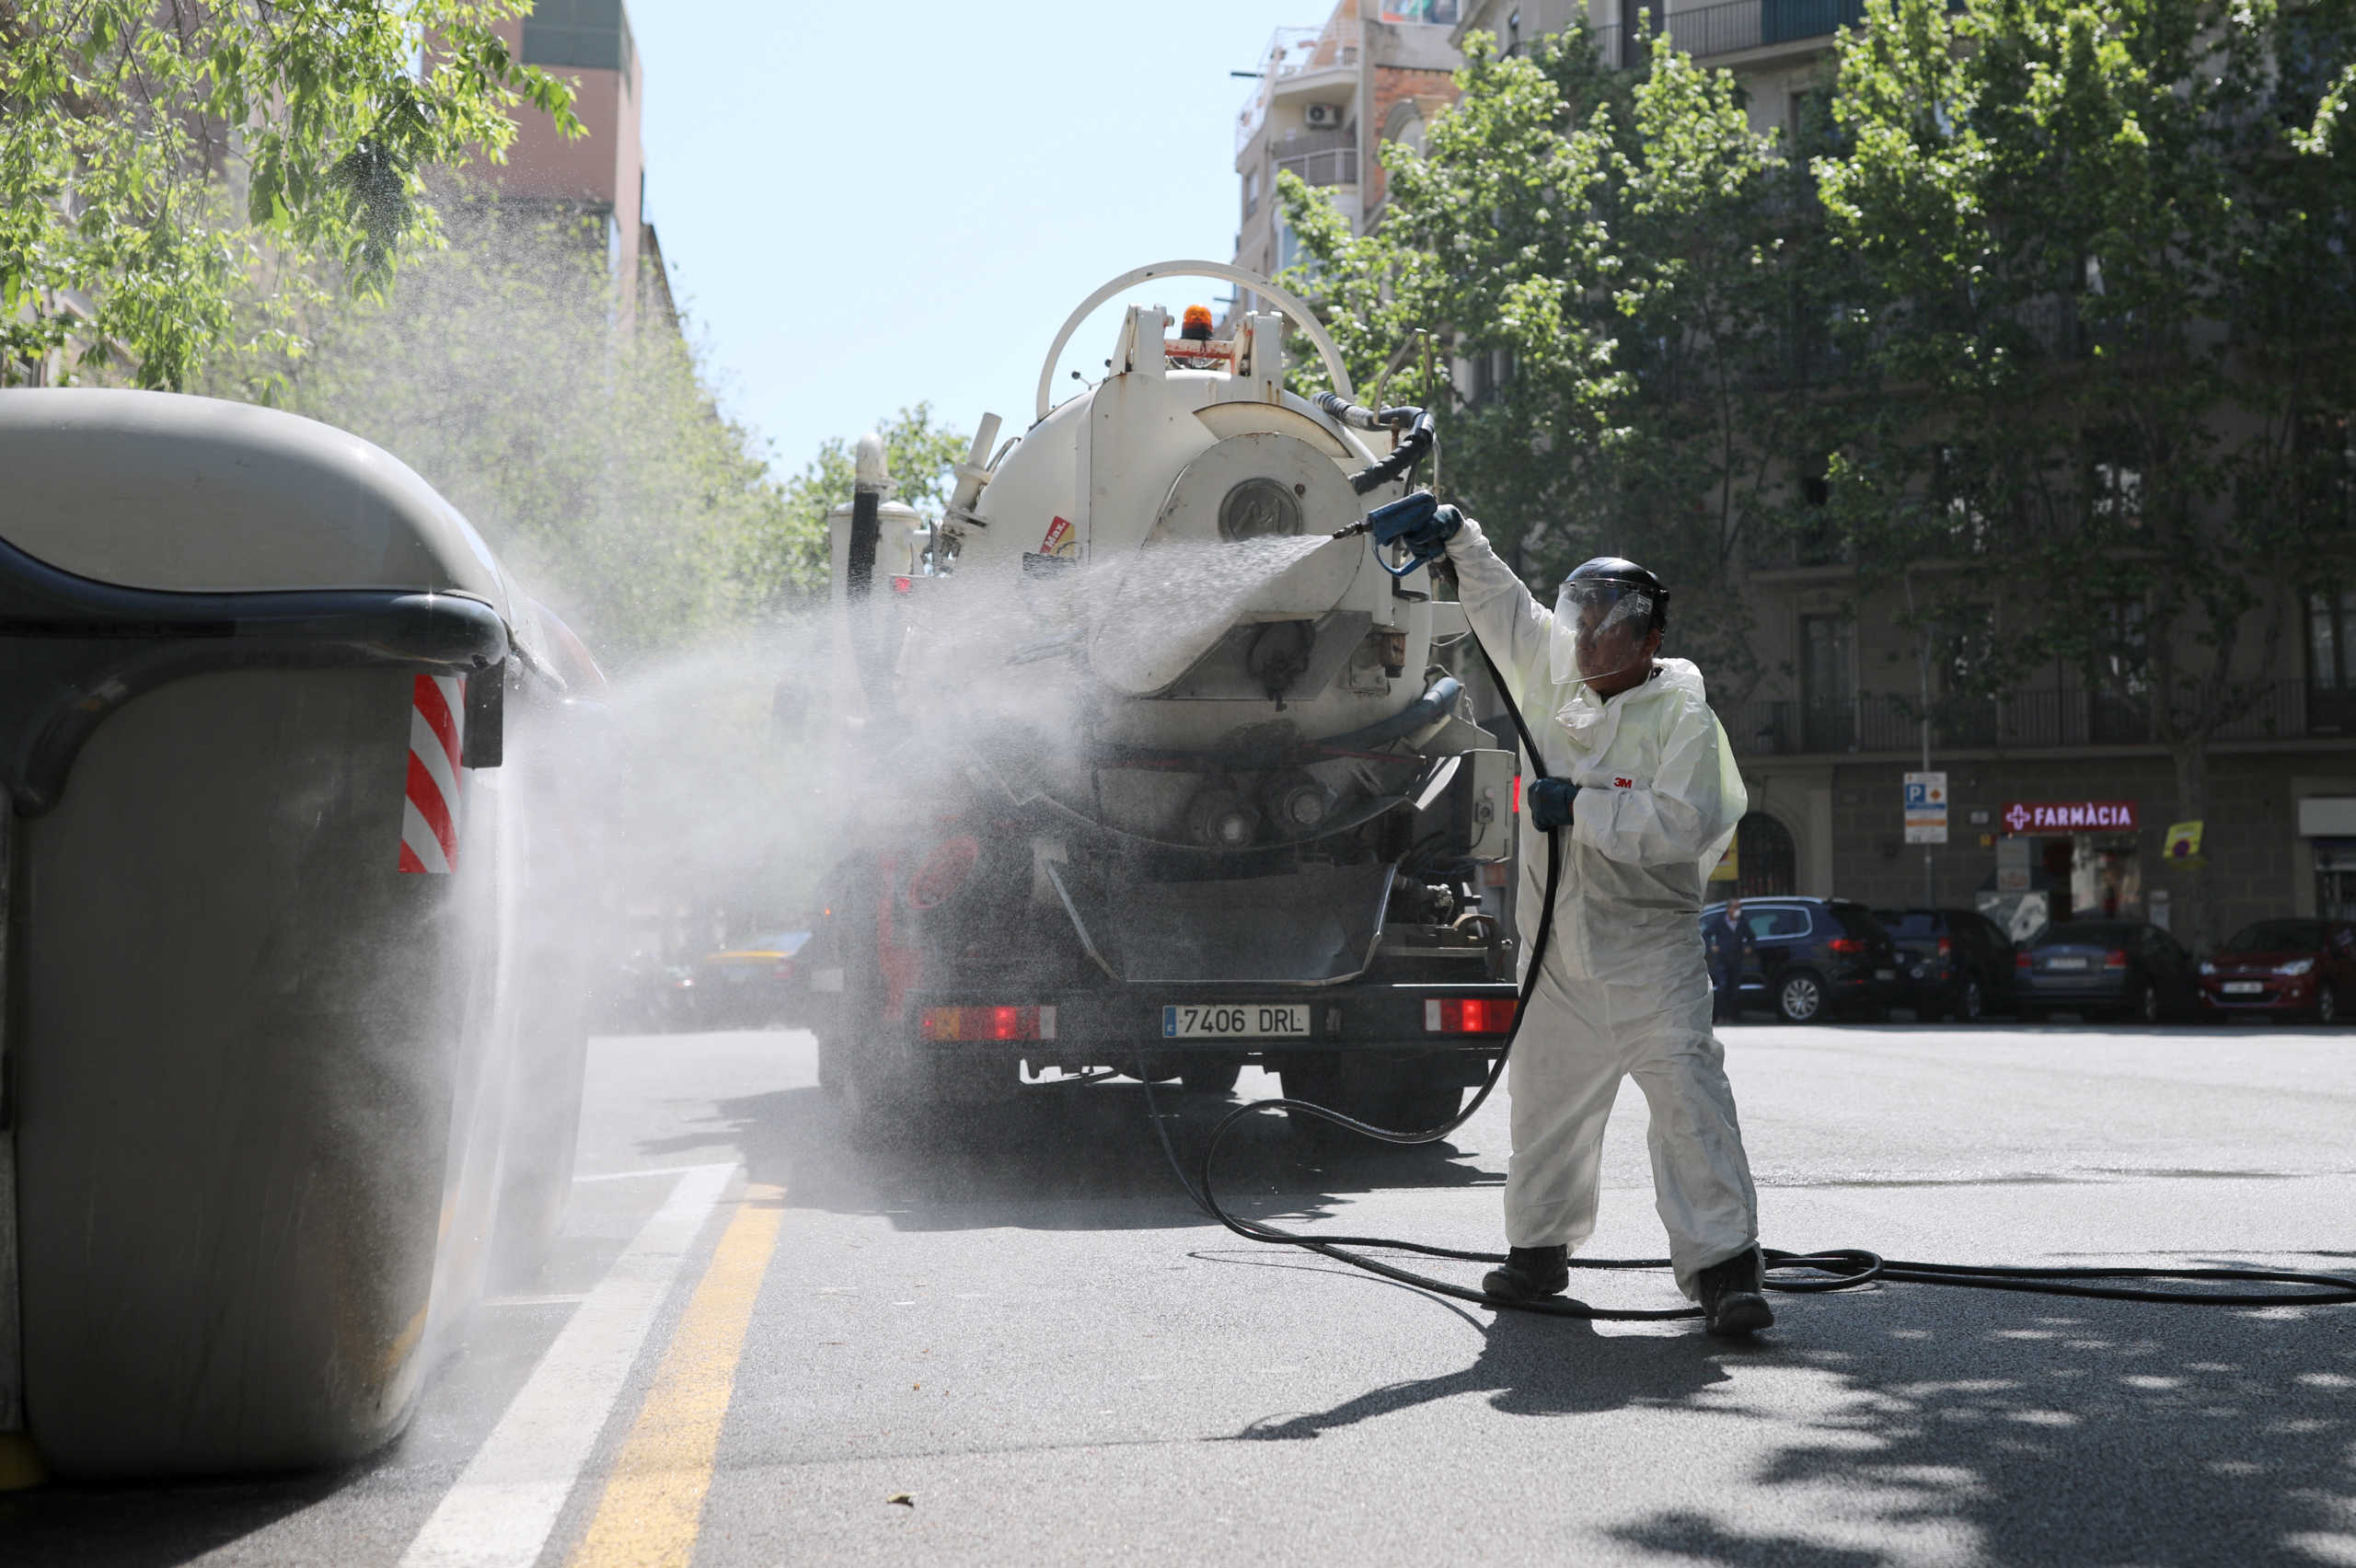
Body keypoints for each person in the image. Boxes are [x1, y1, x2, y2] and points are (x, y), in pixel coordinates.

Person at [1374, 496, 1771, 1335]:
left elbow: (1682, 824)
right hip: (1556, 951)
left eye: (1602, 630)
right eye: (1580, 623)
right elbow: (1503, 604)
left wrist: (1579, 807)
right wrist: (1457, 535)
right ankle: (1537, 1255)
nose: (1583, 642)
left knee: (1690, 1106)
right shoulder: (1556, 677)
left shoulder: (1682, 718)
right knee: (1545, 1106)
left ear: (1649, 640)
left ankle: (1726, 1271)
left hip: (1647, 955)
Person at [1706, 898, 1756, 1023]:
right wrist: (1712, 947)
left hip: (1736, 959)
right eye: (1735, 907)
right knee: (1722, 986)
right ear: (1728, 909)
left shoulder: (1742, 922)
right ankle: (1720, 1016)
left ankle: (1732, 1016)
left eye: (1739, 907)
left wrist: (1749, 947)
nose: (1737, 910)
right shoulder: (1719, 921)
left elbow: (1751, 937)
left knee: (1734, 988)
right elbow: (1706, 934)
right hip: (1722, 959)